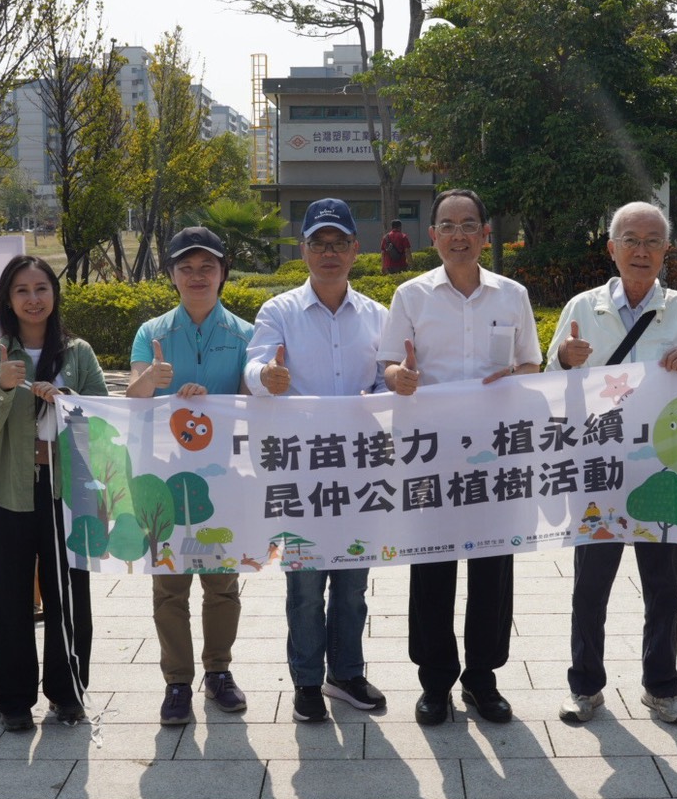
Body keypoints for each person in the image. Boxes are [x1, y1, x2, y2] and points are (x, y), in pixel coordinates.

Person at [547, 202, 677, 725]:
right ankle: (585, 687)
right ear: (612, 248)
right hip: (598, 470)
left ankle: (661, 687)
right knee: (590, 586)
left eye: (652, 241)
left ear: (667, 250)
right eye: (630, 239)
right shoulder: (582, 307)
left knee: (664, 588)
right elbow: (547, 385)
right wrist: (564, 361)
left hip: (665, 471)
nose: (641, 250)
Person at [379, 188, 543, 725]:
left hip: (497, 456)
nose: (458, 235)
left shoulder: (512, 295)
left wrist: (513, 375)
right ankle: (435, 681)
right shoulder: (411, 296)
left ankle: (482, 679)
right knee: (431, 568)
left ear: (485, 233)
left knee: (493, 568)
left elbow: (532, 365)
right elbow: (388, 366)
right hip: (431, 455)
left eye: (469, 225)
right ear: (432, 236)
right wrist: (399, 378)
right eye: (447, 226)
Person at [246, 197, 389, 723]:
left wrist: (387, 390)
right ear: (304, 250)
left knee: (352, 584)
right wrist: (267, 377)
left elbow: (387, 378)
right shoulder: (279, 312)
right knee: (305, 585)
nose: (329, 253)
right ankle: (306, 681)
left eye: (339, 243)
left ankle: (345, 674)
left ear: (355, 250)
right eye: (318, 243)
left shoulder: (378, 315)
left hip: (359, 470)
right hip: (301, 472)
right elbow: (254, 368)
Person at [0, 255, 109, 732]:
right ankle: (13, 701)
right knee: (9, 595)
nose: (33, 298)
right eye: (21, 290)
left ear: (54, 294)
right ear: (8, 299)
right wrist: (2, 387)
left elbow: (103, 420)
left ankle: (68, 693)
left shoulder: (78, 353)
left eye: (41, 288)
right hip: (10, 490)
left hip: (68, 492)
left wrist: (69, 404)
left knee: (70, 593)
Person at [127, 226, 254, 725]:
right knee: (169, 586)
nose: (197, 276)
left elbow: (253, 406)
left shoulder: (244, 334)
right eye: (186, 267)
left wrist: (219, 403)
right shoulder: (152, 333)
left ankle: (218, 672)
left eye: (207, 267)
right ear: (172, 275)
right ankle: (177, 681)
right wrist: (151, 380)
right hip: (164, 478)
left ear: (223, 273)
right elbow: (133, 401)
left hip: (225, 479)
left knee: (222, 584)